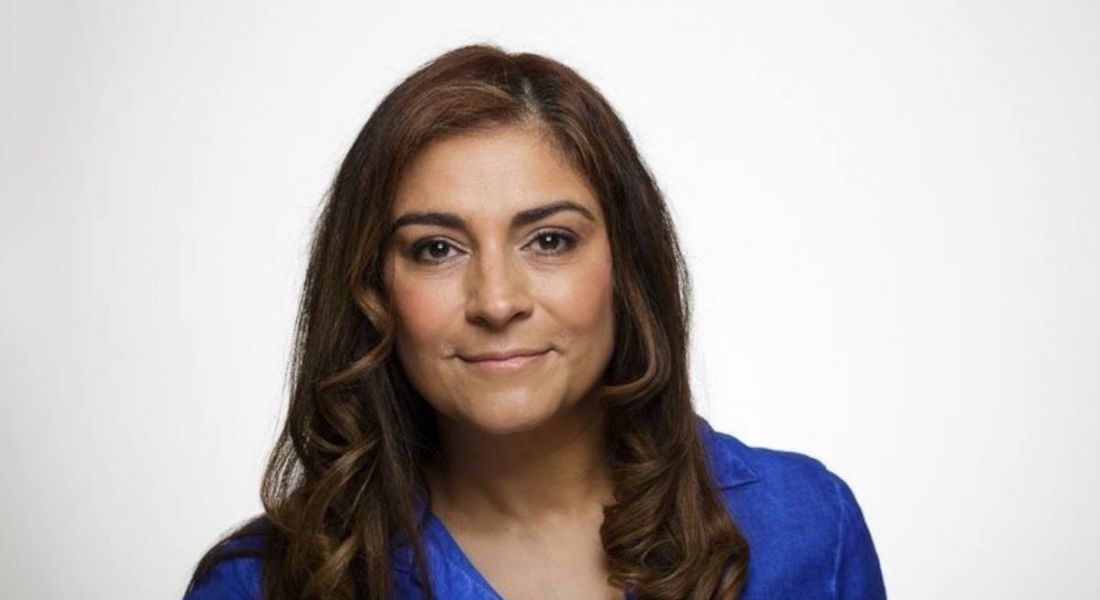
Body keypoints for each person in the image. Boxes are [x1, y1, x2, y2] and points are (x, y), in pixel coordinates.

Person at [183, 44, 885, 600]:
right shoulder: (262, 585)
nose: (496, 301)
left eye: (549, 240)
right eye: (436, 249)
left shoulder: (805, 527)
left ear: (625, 264)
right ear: (374, 287)